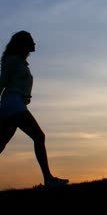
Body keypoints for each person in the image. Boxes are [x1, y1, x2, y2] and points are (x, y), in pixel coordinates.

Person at [0, 30, 69, 187]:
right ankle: (49, 179)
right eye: (31, 40)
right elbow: (2, 83)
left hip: (14, 104)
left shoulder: (20, 62)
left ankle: (48, 179)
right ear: (22, 44)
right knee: (38, 136)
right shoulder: (12, 61)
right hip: (13, 103)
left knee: (1, 143)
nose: (34, 43)